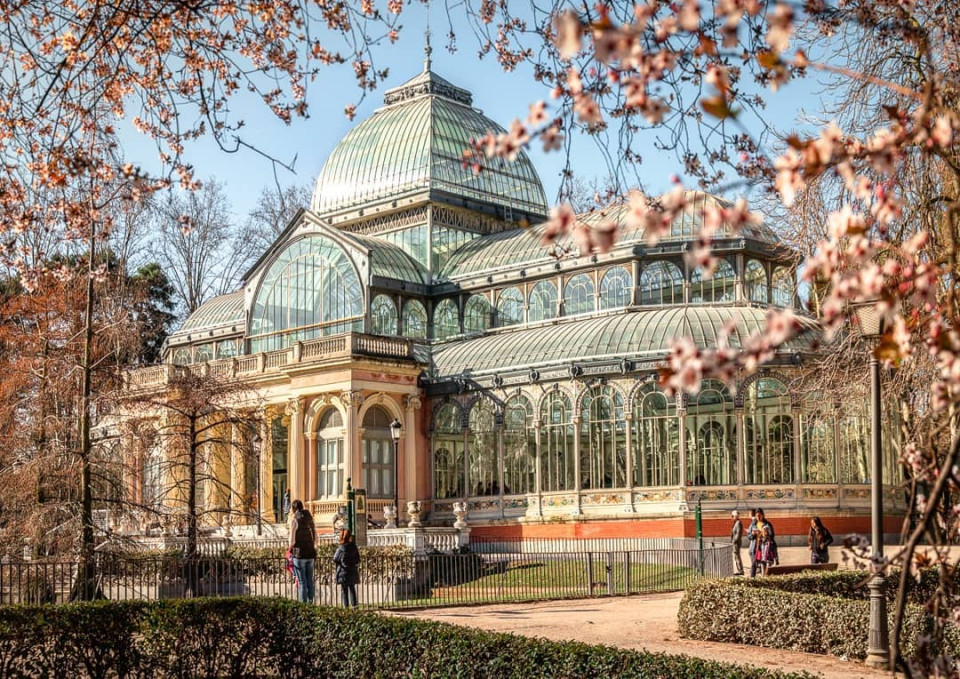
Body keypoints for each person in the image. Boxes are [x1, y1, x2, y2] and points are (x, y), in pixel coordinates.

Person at [288, 499, 317, 603]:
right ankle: (311, 601)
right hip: (310, 553)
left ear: (293, 509)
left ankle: (303, 604)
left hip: (299, 554)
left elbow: (292, 540)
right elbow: (315, 537)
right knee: (310, 580)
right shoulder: (310, 519)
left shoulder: (294, 520)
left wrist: (290, 548)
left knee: (302, 581)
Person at [333, 528, 360, 608]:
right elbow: (358, 559)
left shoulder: (341, 548)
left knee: (344, 590)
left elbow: (335, 558)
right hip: (352, 570)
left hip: (343, 571)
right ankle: (354, 605)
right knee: (352, 588)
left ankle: (346, 606)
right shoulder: (354, 547)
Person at [753, 508, 778, 576]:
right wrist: (753, 534)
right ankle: (763, 576)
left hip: (767, 547)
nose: (758, 517)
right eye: (756, 516)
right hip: (759, 547)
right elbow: (750, 535)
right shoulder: (754, 524)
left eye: (759, 515)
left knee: (768, 563)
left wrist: (764, 534)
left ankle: (767, 576)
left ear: (763, 515)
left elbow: (772, 535)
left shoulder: (767, 524)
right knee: (761, 563)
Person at [745, 508, 759, 577]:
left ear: (751, 514)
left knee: (753, 561)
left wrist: (749, 533)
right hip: (754, 544)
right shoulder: (755, 521)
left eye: (749, 513)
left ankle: (752, 575)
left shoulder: (754, 521)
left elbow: (753, 533)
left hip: (753, 544)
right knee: (753, 560)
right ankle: (753, 572)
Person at [730, 510, 744, 576]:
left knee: (737, 557)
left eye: (733, 516)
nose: (732, 518)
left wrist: (733, 541)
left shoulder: (738, 523)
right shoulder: (736, 523)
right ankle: (739, 569)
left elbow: (738, 534)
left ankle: (740, 570)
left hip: (736, 543)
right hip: (735, 542)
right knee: (736, 557)